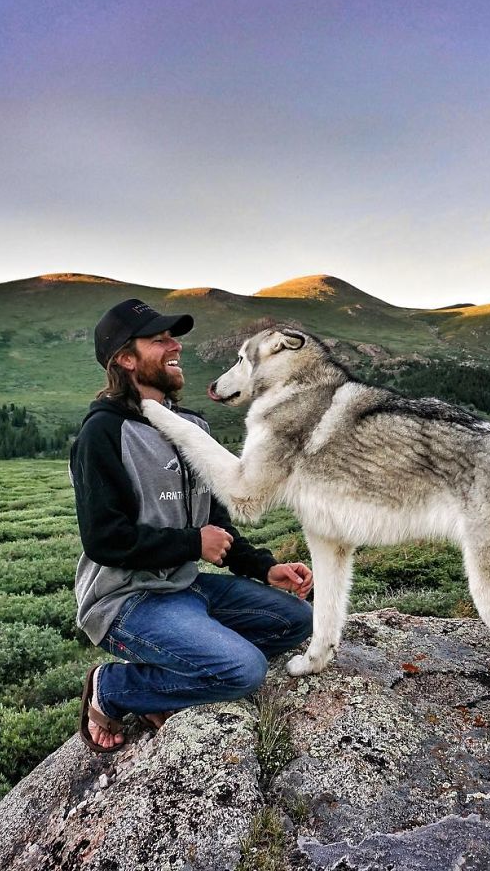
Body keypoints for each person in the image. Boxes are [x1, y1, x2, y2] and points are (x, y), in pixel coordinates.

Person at [71, 298, 313, 752]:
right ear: (125, 358)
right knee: (243, 670)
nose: (174, 345)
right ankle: (113, 689)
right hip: (128, 600)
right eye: (158, 339)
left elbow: (214, 521)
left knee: (297, 621)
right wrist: (190, 543)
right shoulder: (102, 433)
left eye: (173, 336)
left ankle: (179, 670)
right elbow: (105, 539)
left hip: (184, 586)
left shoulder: (193, 426)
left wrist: (264, 569)